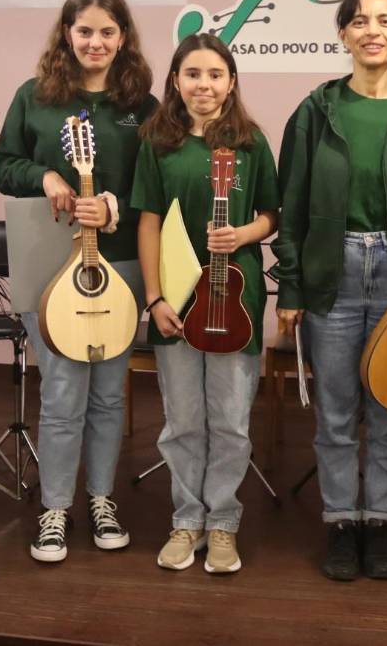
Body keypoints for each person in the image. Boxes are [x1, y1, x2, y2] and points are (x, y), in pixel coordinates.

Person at [272, 0, 387, 582]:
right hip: (333, 275)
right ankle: (339, 524)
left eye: (385, 20)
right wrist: (292, 291)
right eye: (360, 20)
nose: (372, 30)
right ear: (344, 33)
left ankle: (379, 522)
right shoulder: (314, 113)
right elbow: (291, 209)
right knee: (336, 411)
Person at [0, 0, 157, 563]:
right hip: (49, 264)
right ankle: (55, 508)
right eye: (84, 30)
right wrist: (46, 177)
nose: (96, 42)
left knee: (110, 395)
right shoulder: (34, 97)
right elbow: (0, 164)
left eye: (108, 32)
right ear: (67, 33)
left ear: (123, 38)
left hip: (121, 264)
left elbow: (157, 190)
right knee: (62, 392)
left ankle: (102, 498)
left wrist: (115, 207)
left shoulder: (143, 105)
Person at [132, 33, 279, 574]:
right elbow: (148, 221)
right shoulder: (158, 142)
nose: (204, 85)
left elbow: (272, 215)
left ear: (232, 81)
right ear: (175, 80)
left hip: (234, 299)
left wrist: (243, 234)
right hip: (176, 301)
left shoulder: (251, 143)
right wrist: (154, 298)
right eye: (192, 74)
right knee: (183, 420)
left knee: (232, 420)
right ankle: (186, 518)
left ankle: (223, 522)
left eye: (215, 74)